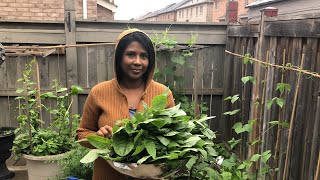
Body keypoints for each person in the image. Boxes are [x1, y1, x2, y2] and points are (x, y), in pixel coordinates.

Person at [76, 28, 175, 180]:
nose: (137, 61)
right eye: (130, 54)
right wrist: (99, 138)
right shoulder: (99, 92)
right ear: (119, 57)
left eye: (144, 56)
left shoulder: (163, 94)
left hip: (150, 176)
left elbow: (174, 137)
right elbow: (81, 134)